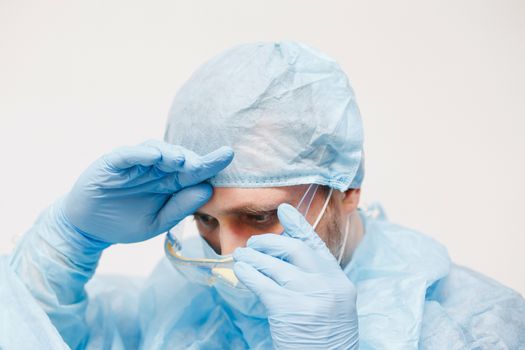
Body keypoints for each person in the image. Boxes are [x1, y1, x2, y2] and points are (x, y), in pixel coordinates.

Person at [1, 41, 524, 350]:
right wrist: (64, 248)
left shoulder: (476, 330)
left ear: (347, 191)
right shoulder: (181, 302)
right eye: (205, 221)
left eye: (257, 216)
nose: (226, 255)